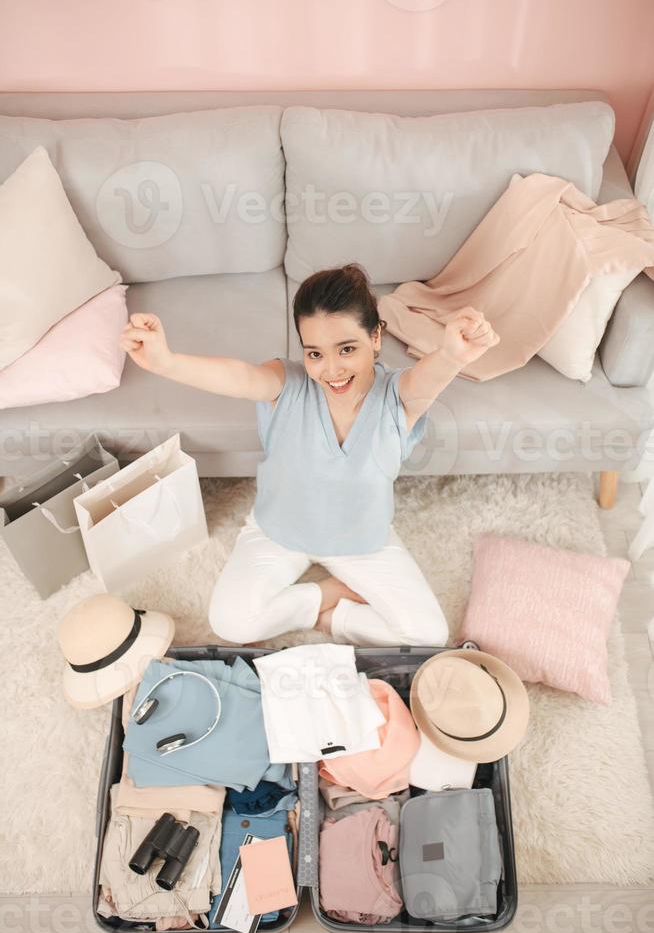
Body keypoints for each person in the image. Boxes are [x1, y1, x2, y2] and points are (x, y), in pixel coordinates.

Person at [119, 264, 499, 647]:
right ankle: (327, 594)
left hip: (363, 542)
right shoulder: (287, 384)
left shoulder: (398, 398)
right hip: (278, 535)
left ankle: (334, 618)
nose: (331, 370)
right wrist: (166, 361)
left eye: (346, 349)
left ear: (376, 336)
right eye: (315, 353)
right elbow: (237, 375)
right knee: (229, 623)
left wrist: (453, 354)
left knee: (428, 634)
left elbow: (430, 376)